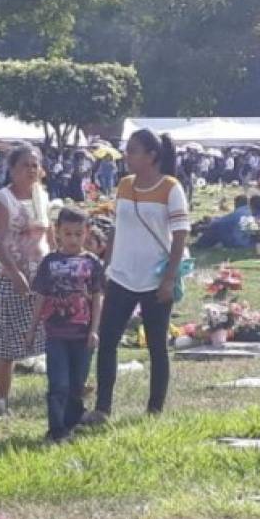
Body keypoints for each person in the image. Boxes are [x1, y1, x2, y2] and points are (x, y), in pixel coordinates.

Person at [82, 129, 190, 426]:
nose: (126, 156)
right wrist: (106, 266)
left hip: (156, 278)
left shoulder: (171, 188)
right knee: (107, 342)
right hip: (121, 276)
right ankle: (103, 408)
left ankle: (154, 410)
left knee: (157, 346)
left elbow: (180, 235)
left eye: (133, 151)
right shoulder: (124, 185)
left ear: (152, 156)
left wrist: (169, 278)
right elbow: (116, 228)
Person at [0, 144, 52, 416]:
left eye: (35, 165)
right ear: (12, 169)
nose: (32, 170)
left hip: (42, 274)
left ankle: (64, 388)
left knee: (54, 334)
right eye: (26, 165)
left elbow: (49, 233)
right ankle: (1, 397)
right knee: (8, 341)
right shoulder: (2, 199)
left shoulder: (41, 196)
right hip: (13, 276)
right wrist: (15, 273)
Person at [24, 207, 104, 443]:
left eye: (78, 234)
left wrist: (95, 330)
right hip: (56, 334)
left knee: (77, 383)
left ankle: (71, 422)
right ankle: (56, 429)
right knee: (58, 383)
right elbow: (41, 297)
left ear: (86, 233)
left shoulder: (92, 263)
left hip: (83, 334)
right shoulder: (50, 263)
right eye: (67, 234)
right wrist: (31, 329)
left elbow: (98, 296)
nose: (73, 239)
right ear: (57, 232)